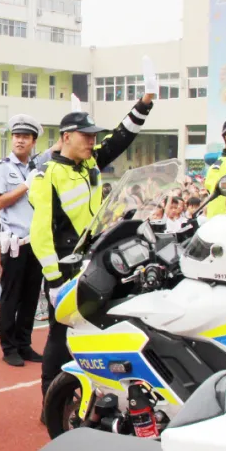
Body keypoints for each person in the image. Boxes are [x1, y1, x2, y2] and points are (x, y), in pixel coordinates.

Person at [31, 94, 155, 398]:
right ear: (66, 138)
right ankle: (52, 399)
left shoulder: (89, 164)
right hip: (64, 266)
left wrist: (143, 104)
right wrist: (54, 279)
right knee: (60, 335)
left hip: (93, 258)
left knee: (97, 326)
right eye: (86, 136)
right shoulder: (46, 175)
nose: (92, 141)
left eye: (93, 136)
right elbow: (40, 233)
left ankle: (95, 391)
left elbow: (120, 139)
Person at [0, 115, 51, 366]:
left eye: (25, 137)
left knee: (30, 296)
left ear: (34, 141)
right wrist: (25, 185)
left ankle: (24, 344)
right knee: (11, 296)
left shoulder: (37, 166)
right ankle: (9, 347)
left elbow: (56, 150)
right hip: (14, 241)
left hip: (35, 241)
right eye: (17, 136)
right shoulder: (2, 168)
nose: (20, 140)